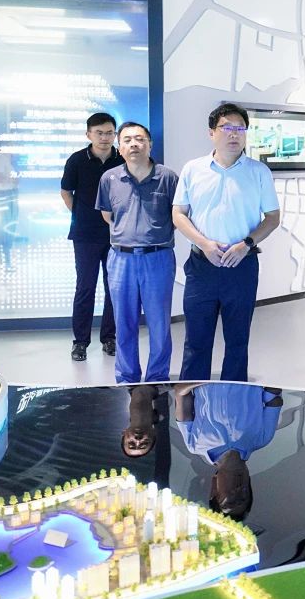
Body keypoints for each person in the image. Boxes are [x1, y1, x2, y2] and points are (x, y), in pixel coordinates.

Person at [173, 103, 281, 382]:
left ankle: (234, 399)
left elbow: (272, 218)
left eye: (240, 129)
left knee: (237, 341)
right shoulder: (193, 169)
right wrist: (204, 244)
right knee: (196, 341)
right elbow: (179, 213)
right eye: (227, 128)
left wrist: (246, 244)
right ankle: (191, 399)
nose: (234, 134)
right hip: (202, 266)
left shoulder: (258, 172)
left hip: (241, 266)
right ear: (211, 133)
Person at [97, 122, 179, 384]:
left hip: (158, 258)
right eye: (127, 140)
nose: (134, 144)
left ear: (150, 144)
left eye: (140, 139)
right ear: (119, 147)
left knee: (159, 324)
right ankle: (127, 377)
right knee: (124, 323)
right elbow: (107, 215)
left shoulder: (168, 177)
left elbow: (177, 216)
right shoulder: (109, 178)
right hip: (121, 259)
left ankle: (157, 378)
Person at [60, 112, 123, 362]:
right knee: (85, 287)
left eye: (109, 133)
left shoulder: (122, 159)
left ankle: (109, 337)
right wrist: (81, 215)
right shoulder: (77, 160)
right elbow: (66, 192)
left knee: (113, 288)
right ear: (88, 134)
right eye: (99, 133)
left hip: (117, 235)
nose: (105, 137)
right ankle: (80, 342)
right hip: (85, 235)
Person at [174, 382, 283, 521]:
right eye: (243, 498)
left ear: (214, 491)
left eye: (230, 501)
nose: (238, 490)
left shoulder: (194, 444)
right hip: (250, 370)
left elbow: (180, 392)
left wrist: (209, 379)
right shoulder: (262, 438)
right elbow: (274, 395)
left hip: (207, 371)